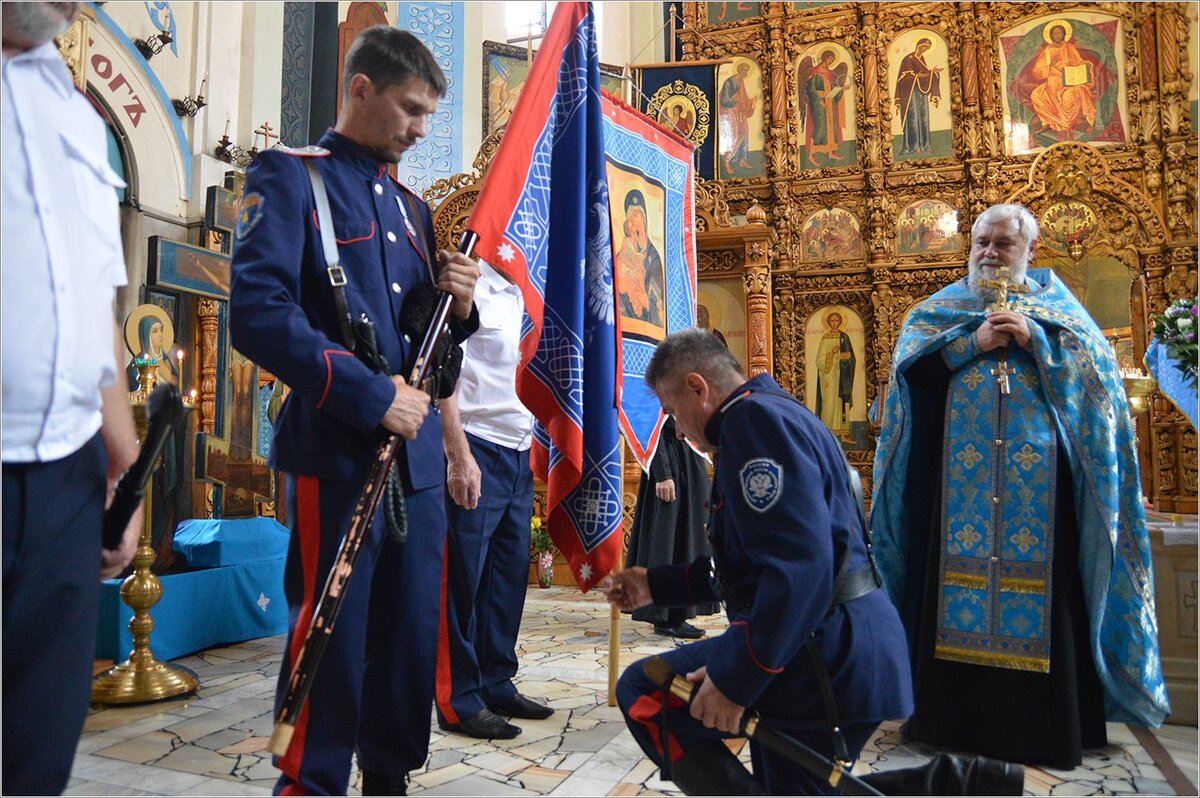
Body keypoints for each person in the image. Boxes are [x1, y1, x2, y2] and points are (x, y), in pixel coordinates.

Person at [229, 26, 480, 796]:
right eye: (410, 109)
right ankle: (309, 781)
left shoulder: (412, 210)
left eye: (431, 115)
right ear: (360, 89)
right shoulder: (290, 179)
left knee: (408, 639)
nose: (420, 130)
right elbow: (259, 314)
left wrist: (457, 308)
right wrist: (373, 397)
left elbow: (428, 354)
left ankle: (389, 777)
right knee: (331, 637)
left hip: (418, 471)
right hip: (337, 454)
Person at [871, 203, 1169, 769]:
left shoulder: (1061, 315)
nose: (989, 253)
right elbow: (910, 386)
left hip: (1043, 503)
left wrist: (1040, 343)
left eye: (1003, 244)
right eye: (981, 242)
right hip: (956, 497)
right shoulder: (939, 313)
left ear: (1030, 251)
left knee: (1048, 600)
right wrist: (969, 345)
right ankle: (949, 722)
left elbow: (1098, 393)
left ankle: (1045, 728)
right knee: (949, 596)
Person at [602, 329, 912, 795]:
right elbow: (755, 564)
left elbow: (799, 570)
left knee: (646, 692)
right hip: (827, 642)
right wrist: (658, 585)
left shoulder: (753, 425)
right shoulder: (773, 411)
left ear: (697, 388)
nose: (678, 428)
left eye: (671, 411)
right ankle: (969, 782)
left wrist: (737, 679)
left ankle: (961, 783)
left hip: (823, 652)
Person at [2, 3, 142, 793]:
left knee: (35, 751)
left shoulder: (75, 113)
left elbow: (92, 301)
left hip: (65, 472)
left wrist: (116, 452)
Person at [435, 260, 553, 741]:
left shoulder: (533, 290)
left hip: (519, 447)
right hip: (475, 442)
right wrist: (456, 452)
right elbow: (439, 370)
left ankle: (495, 681)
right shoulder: (468, 281)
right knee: (462, 577)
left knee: (505, 578)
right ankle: (457, 697)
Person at [624, 416, 719, 639]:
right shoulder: (657, 386)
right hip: (669, 465)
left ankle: (678, 611)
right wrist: (663, 473)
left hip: (688, 461)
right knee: (667, 541)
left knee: (686, 539)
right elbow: (651, 429)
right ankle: (664, 614)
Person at [1015, 22, 1106, 138]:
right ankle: (1048, 122)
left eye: (1060, 33)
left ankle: (1067, 127)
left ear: (1064, 34)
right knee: (1036, 95)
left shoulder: (1070, 48)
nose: (1057, 35)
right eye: (1055, 33)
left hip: (1071, 81)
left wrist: (1085, 65)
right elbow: (1037, 70)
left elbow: (1079, 62)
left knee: (1068, 96)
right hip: (1053, 81)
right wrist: (1049, 68)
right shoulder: (1048, 51)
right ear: (1051, 36)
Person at [615, 189, 665, 327]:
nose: (632, 221)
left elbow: (658, 299)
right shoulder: (625, 247)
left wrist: (647, 302)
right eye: (629, 217)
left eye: (636, 215)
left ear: (644, 218)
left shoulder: (653, 257)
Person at [894, 38, 942, 155]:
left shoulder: (921, 59)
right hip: (910, 93)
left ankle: (926, 146)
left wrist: (932, 72)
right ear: (919, 45)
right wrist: (916, 76)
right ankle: (914, 147)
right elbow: (902, 79)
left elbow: (925, 75)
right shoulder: (908, 59)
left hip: (921, 93)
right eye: (924, 47)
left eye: (927, 48)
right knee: (913, 118)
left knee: (924, 119)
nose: (925, 50)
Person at [799, 50, 847, 167]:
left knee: (832, 128)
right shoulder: (815, 72)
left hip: (830, 104)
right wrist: (820, 101)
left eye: (832, 60)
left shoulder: (830, 74)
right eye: (829, 59)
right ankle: (811, 155)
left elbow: (831, 92)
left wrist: (841, 89)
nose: (830, 62)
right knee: (819, 128)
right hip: (818, 105)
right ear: (824, 58)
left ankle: (831, 152)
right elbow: (811, 90)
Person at [814, 311, 855, 441]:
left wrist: (844, 359)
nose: (834, 323)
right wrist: (831, 355)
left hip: (841, 375)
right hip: (828, 375)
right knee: (828, 403)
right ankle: (826, 434)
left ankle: (844, 434)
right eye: (832, 321)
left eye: (837, 320)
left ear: (840, 322)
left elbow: (851, 358)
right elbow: (819, 360)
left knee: (841, 402)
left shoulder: (845, 337)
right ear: (828, 323)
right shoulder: (825, 338)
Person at [718, 62, 757, 173]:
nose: (745, 73)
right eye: (744, 70)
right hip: (728, 112)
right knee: (734, 134)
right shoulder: (730, 82)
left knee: (745, 131)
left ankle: (742, 160)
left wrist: (751, 102)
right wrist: (737, 102)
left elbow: (743, 99)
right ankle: (727, 161)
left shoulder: (741, 82)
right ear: (739, 70)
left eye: (747, 71)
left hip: (739, 112)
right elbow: (724, 100)